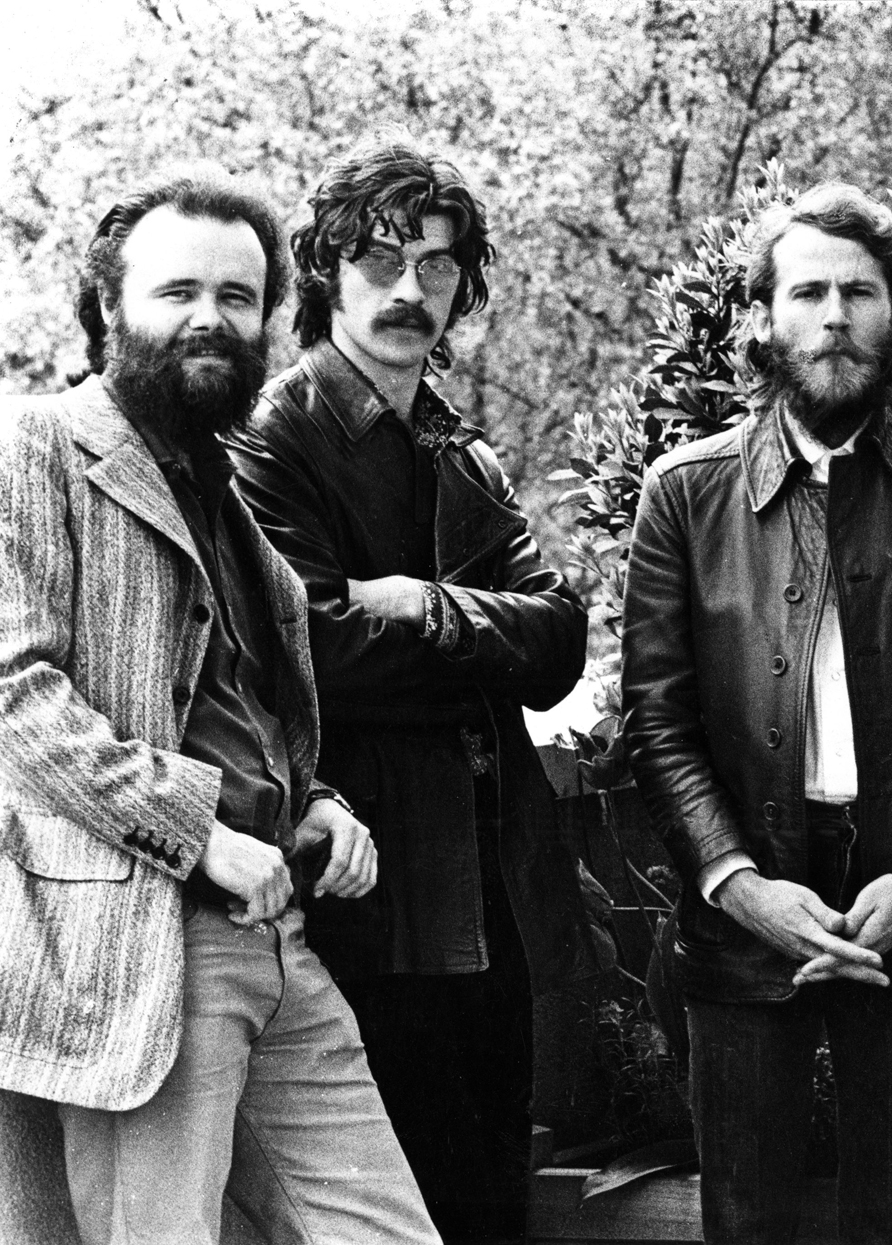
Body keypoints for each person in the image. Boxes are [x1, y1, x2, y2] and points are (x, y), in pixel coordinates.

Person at [0, 167, 438, 1243]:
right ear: (110, 306)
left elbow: (245, 704)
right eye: (177, 291)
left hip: (276, 931)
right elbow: (17, 694)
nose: (210, 318)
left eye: (237, 298)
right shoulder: (35, 446)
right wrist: (198, 834)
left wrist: (315, 801)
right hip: (135, 947)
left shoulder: (223, 487)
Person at [621, 182, 892, 1244]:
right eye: (808, 292)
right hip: (744, 908)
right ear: (763, 318)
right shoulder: (685, 492)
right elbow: (656, 721)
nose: (835, 316)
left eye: (860, 293)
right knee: (747, 1219)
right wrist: (740, 885)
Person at [227, 139, 600, 1237]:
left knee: (490, 1201)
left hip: (494, 887)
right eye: (381, 260)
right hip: (366, 891)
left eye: (436, 264)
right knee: (390, 1213)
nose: (409, 290)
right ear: (326, 272)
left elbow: (560, 644)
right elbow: (313, 653)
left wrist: (423, 604)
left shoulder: (461, 448)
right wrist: (479, 644)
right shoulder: (272, 438)